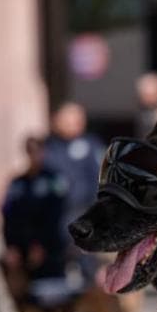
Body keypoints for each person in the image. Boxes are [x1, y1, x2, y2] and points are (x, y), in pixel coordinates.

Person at [1, 136, 70, 312]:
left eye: (37, 151)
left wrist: (41, 246)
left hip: (50, 253)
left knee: (52, 304)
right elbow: (8, 216)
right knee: (28, 306)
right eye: (29, 151)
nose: (34, 156)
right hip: (22, 254)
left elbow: (56, 216)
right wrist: (11, 246)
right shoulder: (18, 183)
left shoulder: (54, 180)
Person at [43, 101, 104, 287]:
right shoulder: (47, 148)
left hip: (85, 216)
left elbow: (99, 180)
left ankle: (93, 311)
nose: (73, 123)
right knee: (55, 272)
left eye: (77, 118)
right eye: (68, 118)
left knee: (90, 271)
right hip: (56, 219)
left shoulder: (91, 145)